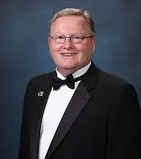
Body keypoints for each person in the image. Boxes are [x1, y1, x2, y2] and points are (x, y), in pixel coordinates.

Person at [18, 8, 141, 159]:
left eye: (76, 38)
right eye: (59, 37)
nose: (67, 45)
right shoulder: (35, 86)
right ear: (50, 42)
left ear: (92, 43)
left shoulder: (118, 93)